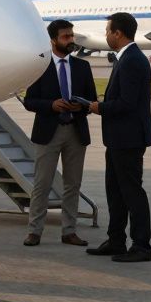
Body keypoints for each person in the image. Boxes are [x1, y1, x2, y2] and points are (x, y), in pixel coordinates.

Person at [21, 19, 95, 246]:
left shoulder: (82, 67)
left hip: (76, 130)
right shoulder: (40, 67)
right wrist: (51, 105)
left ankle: (69, 231)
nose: (70, 40)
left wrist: (80, 106)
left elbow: (92, 100)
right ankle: (35, 231)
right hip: (48, 132)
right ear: (52, 40)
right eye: (65, 37)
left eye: (71, 35)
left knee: (73, 184)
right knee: (42, 184)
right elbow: (29, 101)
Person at [87, 12, 151, 262]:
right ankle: (116, 240)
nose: (106, 35)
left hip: (129, 138)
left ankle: (141, 246)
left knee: (132, 192)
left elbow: (127, 103)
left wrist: (99, 107)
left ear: (118, 33)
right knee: (115, 191)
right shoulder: (125, 59)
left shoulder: (133, 61)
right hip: (118, 138)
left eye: (108, 31)